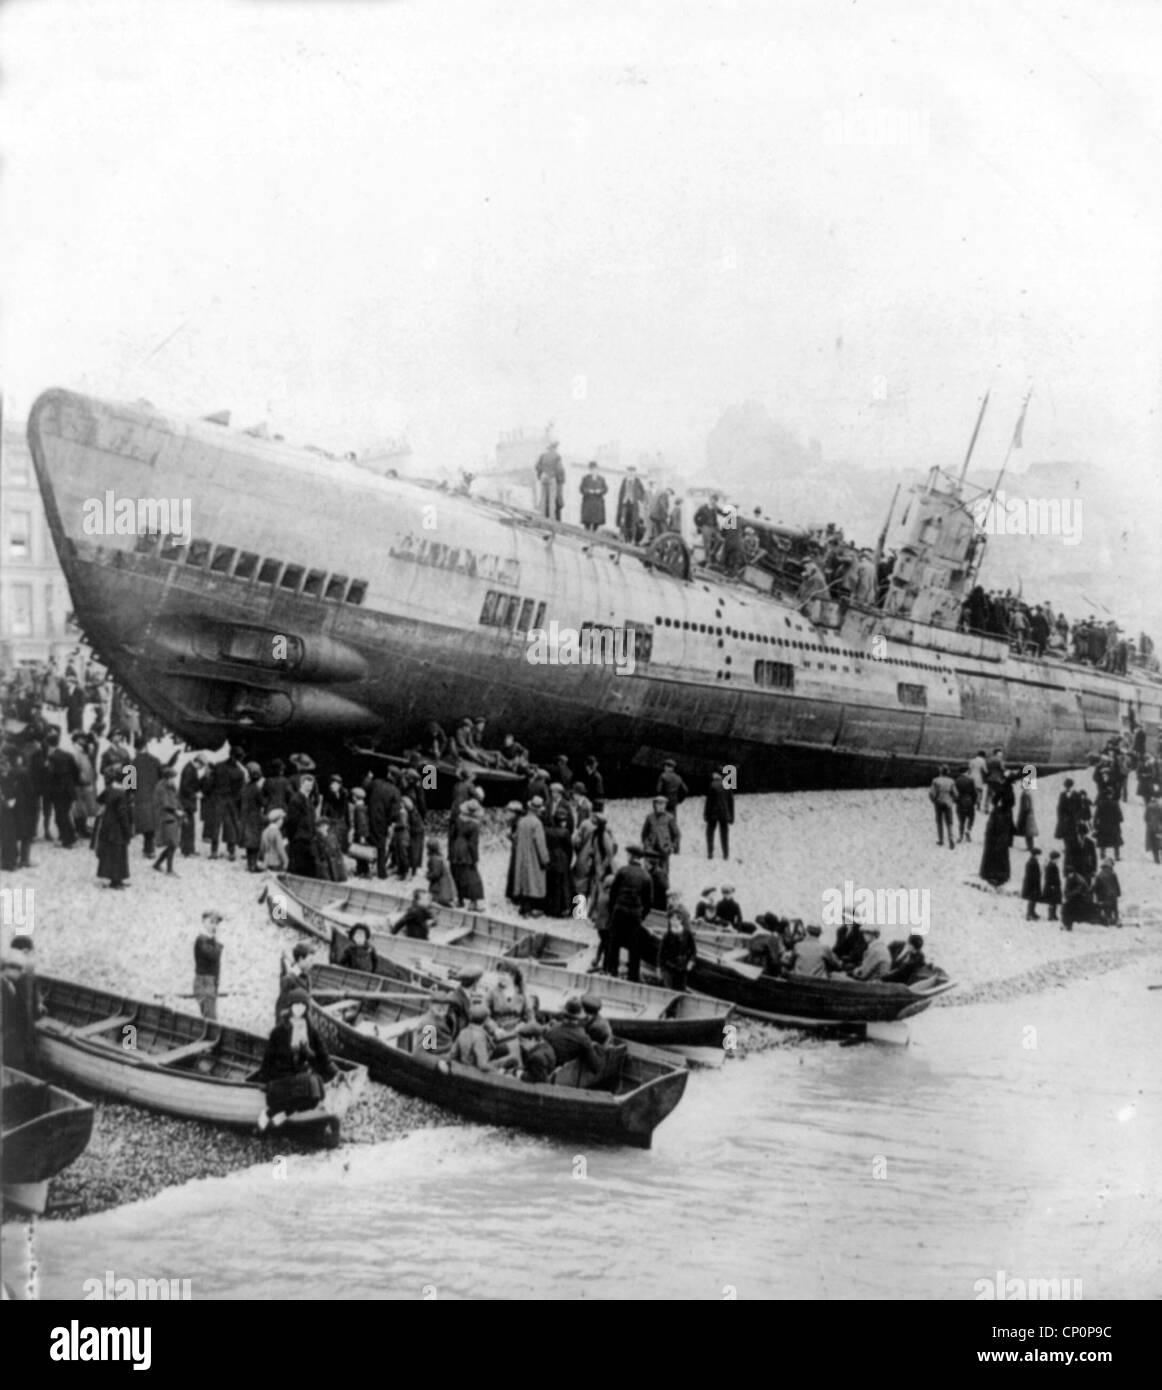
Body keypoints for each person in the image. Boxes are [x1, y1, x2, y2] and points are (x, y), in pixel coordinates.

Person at [256, 988, 337, 1130]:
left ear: (306, 1008)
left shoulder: (311, 1030)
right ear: (290, 1007)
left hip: (299, 1073)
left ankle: (286, 1111)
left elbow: (323, 1056)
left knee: (314, 1091)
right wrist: (264, 1080)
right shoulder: (279, 1031)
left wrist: (336, 1072)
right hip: (281, 1075)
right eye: (296, 1005)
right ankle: (269, 1112)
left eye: (302, 1005)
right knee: (309, 1084)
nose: (299, 1009)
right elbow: (268, 1058)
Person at [602, 845, 652, 981]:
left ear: (630, 856)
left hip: (619, 911)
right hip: (635, 914)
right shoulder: (646, 876)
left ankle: (612, 971)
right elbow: (648, 902)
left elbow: (613, 894)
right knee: (634, 945)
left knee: (614, 941)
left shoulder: (622, 871)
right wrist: (641, 915)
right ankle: (633, 976)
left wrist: (614, 909)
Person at [449, 1002, 518, 1072]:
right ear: (485, 1020)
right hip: (475, 1071)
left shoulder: (463, 1032)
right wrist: (498, 1071)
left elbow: (453, 1054)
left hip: (466, 1064)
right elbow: (482, 1065)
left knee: (504, 1049)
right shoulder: (479, 1037)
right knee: (513, 1060)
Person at [94, 762, 133, 888]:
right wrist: (128, 831)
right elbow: (123, 815)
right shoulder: (121, 794)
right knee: (118, 854)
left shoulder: (109, 790)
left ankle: (115, 878)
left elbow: (99, 800)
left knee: (111, 853)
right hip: (117, 828)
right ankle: (116, 881)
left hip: (107, 826)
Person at [544, 998, 603, 1076]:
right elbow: (595, 1067)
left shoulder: (553, 1028)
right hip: (566, 1076)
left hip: (548, 1070)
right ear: (579, 1017)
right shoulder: (583, 1038)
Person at [513, 799, 549, 917]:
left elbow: (515, 837)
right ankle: (531, 909)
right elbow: (540, 843)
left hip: (521, 854)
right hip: (533, 855)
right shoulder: (537, 823)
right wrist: (545, 859)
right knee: (533, 881)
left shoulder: (521, 821)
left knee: (523, 880)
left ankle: (524, 908)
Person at [979, 774, 1016, 888]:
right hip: (1006, 820)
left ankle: (989, 872)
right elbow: (1012, 803)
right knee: (1002, 848)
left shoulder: (1000, 791)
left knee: (992, 847)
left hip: (997, 820)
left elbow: (994, 801)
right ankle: (1001, 874)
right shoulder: (1010, 792)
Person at [449, 798, 485, 910]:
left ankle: (460, 900)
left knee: (457, 874)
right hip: (467, 852)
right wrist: (475, 858)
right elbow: (473, 844)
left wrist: (451, 850)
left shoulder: (458, 820)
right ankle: (473, 902)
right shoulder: (474, 825)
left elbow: (452, 835)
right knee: (472, 876)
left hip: (456, 848)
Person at [284, 773, 321, 878]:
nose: (309, 787)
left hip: (308, 839)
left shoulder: (309, 801)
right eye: (307, 784)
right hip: (298, 839)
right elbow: (291, 821)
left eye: (311, 785)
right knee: (297, 869)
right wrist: (292, 837)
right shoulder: (296, 800)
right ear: (301, 785)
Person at [132, 743, 162, 859]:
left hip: (140, 797)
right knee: (152, 822)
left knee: (145, 823)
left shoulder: (132, 762)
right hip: (154, 796)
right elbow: (161, 778)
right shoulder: (156, 760)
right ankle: (149, 847)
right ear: (146, 747)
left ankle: (148, 848)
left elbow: (128, 784)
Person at [641, 794, 680, 883]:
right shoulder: (650, 817)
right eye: (658, 804)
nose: (660, 806)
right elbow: (644, 833)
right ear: (655, 805)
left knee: (664, 871)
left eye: (662, 804)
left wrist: (672, 846)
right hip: (651, 849)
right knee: (649, 870)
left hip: (664, 849)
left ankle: (664, 888)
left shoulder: (669, 817)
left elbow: (677, 834)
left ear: (665, 805)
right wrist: (646, 845)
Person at [152, 765, 183, 875]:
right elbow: (165, 804)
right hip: (165, 817)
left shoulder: (170, 786)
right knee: (173, 843)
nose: (173, 780)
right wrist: (176, 811)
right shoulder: (161, 788)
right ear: (166, 778)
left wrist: (180, 810)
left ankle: (157, 864)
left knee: (172, 844)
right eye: (172, 778)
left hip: (172, 817)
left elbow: (176, 799)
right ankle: (169, 869)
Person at [544, 809, 576, 917]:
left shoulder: (547, 831)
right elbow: (569, 849)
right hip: (562, 859)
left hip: (550, 858)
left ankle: (550, 908)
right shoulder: (565, 832)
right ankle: (564, 908)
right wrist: (568, 861)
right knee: (563, 885)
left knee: (552, 884)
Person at [193, 912, 224, 1019]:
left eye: (216, 923)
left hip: (210, 982)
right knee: (210, 1019)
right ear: (203, 923)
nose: (214, 926)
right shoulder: (201, 940)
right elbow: (214, 954)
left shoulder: (209, 941)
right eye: (211, 922)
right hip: (205, 983)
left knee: (209, 1018)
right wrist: (218, 942)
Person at [656, 912, 698, 991]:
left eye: (676, 920)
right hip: (669, 967)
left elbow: (694, 950)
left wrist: (691, 961)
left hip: (682, 968)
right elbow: (660, 953)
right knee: (668, 989)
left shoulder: (687, 934)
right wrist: (659, 968)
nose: (673, 922)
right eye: (671, 920)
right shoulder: (667, 935)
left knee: (680, 990)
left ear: (680, 921)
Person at [703, 770, 735, 859]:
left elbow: (709, 802)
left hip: (713, 813)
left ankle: (710, 853)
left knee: (710, 833)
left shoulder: (712, 785)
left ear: (716, 774)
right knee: (724, 834)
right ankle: (725, 854)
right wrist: (732, 817)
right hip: (724, 813)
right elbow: (731, 802)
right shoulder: (728, 785)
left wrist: (706, 814)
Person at [178, 755, 205, 857]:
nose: (201, 768)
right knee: (188, 827)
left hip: (186, 802)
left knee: (188, 826)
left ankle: (188, 849)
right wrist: (195, 794)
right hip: (186, 803)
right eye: (201, 766)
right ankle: (187, 851)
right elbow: (186, 787)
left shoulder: (190, 768)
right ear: (198, 762)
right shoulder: (190, 770)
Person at [534, 441, 565, 521]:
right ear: (555, 447)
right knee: (552, 498)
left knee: (543, 497)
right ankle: (552, 517)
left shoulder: (543, 455)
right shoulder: (557, 456)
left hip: (544, 477)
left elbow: (537, 466)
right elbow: (560, 470)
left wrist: (540, 475)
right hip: (551, 477)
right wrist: (559, 480)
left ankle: (542, 515)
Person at [616, 465, 647, 543]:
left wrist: (639, 499)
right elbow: (621, 492)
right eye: (629, 471)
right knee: (623, 520)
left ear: (635, 473)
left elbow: (643, 492)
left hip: (633, 505)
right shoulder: (624, 480)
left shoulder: (637, 481)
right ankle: (622, 537)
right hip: (625, 504)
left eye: (632, 472)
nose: (631, 473)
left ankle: (632, 539)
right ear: (627, 472)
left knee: (633, 522)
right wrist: (621, 501)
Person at [929, 765, 957, 850]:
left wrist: (933, 800)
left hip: (939, 802)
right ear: (948, 772)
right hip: (948, 802)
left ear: (940, 771)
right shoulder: (951, 781)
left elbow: (932, 793)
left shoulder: (936, 780)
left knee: (939, 821)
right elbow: (956, 793)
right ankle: (951, 836)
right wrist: (952, 800)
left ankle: (941, 840)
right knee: (949, 821)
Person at [426, 837, 457, 906]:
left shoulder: (435, 859)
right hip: (444, 886)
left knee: (434, 897)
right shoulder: (438, 857)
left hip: (443, 888)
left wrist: (428, 876)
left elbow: (436, 874)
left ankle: (444, 902)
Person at [1094, 791, 1123, 862]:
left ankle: (1102, 854)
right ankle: (1117, 856)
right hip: (1113, 825)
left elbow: (1096, 815)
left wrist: (1095, 825)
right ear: (1111, 795)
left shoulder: (1100, 803)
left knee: (1103, 841)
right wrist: (1119, 820)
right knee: (1116, 841)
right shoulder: (1115, 803)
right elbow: (1120, 816)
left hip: (1103, 825)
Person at [579, 461, 608, 532]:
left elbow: (605, 489)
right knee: (587, 522)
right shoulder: (585, 478)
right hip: (588, 503)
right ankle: (587, 533)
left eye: (595, 469)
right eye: (591, 469)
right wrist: (588, 491)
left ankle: (594, 534)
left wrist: (600, 491)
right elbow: (581, 489)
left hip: (598, 504)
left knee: (596, 522)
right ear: (589, 470)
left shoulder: (601, 479)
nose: (593, 471)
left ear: (597, 470)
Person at [1093, 859, 1121, 926]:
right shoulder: (1113, 874)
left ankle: (1106, 919)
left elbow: (1096, 887)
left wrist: (1096, 893)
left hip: (1103, 896)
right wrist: (1118, 893)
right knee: (1114, 908)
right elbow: (1117, 884)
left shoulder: (1099, 875)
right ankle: (1116, 919)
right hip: (1113, 895)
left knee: (1105, 908)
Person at [1014, 782, 1038, 852]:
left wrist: (1022, 816)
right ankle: (1030, 846)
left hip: (1026, 816)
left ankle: (1030, 847)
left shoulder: (1024, 794)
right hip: (1030, 816)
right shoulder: (1029, 793)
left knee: (1027, 833)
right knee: (1029, 833)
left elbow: (1026, 807)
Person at [1021, 849, 1042, 921]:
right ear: (1035, 855)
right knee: (1032, 898)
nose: (1039, 856)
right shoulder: (1032, 863)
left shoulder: (1032, 861)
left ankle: (1032, 912)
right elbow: (1033, 875)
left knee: (1033, 898)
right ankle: (1030, 913)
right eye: (1039, 855)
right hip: (1032, 884)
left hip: (1031, 883)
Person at [1041, 849, 1063, 922]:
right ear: (1054, 858)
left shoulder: (1053, 865)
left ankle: (1054, 915)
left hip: (1055, 886)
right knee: (1051, 902)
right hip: (1051, 887)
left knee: (1055, 901)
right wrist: (1051, 885)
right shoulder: (1050, 866)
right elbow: (1048, 877)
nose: (1058, 860)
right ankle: (1050, 916)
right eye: (1057, 859)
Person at [1145, 793, 1162, 865]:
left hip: (1150, 828)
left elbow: (1145, 817)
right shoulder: (1159, 807)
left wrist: (1149, 824)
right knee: (1158, 842)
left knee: (1153, 844)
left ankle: (1156, 859)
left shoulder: (1148, 807)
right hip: (1158, 828)